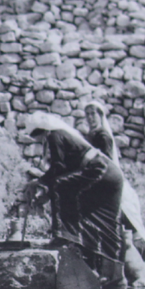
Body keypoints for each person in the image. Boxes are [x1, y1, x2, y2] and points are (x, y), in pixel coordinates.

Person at [24, 111, 124, 280]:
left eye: (37, 137)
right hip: (110, 173)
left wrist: (40, 183)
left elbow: (58, 168)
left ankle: (63, 235)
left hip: (100, 171)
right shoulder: (62, 136)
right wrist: (44, 185)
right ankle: (115, 277)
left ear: (41, 131)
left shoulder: (54, 135)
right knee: (103, 223)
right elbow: (66, 170)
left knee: (58, 186)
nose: (39, 141)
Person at [82, 99, 145, 265]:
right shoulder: (90, 135)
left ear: (100, 116)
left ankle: (132, 257)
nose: (90, 118)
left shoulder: (103, 136)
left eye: (93, 114)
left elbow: (105, 162)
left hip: (105, 182)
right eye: (88, 114)